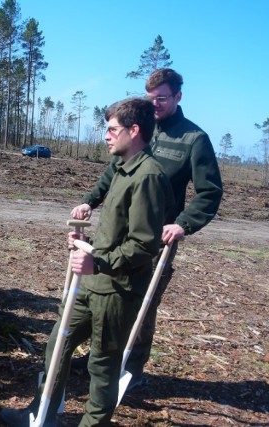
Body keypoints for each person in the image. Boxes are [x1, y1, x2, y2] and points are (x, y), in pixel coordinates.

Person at [0, 97, 174, 426]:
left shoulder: (148, 176)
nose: (106, 136)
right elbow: (117, 237)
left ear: (134, 131)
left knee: (102, 367)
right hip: (94, 283)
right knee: (57, 344)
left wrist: (99, 263)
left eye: (112, 129)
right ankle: (42, 415)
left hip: (118, 290)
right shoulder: (122, 169)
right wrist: (86, 245)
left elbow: (143, 245)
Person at [69, 68, 223, 390]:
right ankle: (102, 357)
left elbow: (210, 191)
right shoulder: (141, 129)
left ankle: (132, 368)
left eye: (162, 99)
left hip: (155, 239)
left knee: (142, 302)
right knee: (107, 291)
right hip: (117, 230)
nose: (154, 105)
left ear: (178, 97)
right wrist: (89, 202)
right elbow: (114, 170)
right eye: (150, 98)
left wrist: (183, 224)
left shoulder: (193, 139)